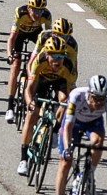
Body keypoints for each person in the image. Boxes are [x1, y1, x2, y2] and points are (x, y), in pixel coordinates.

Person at [52, 75, 107, 195]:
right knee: (65, 163)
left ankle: (89, 174)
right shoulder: (77, 96)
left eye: (102, 99)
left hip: (93, 124)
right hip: (73, 123)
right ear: (89, 93)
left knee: (98, 142)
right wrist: (67, 149)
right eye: (96, 98)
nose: (99, 102)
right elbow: (67, 127)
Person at [16, 19, 79, 173]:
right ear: (47, 54)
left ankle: (55, 131)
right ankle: (23, 159)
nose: (57, 60)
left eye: (60, 56)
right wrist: (30, 102)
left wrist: (70, 105)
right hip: (42, 77)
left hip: (61, 79)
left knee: (65, 101)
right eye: (54, 56)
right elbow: (30, 86)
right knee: (32, 116)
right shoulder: (42, 55)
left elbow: (71, 84)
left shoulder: (68, 60)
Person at [5, 0, 52, 110]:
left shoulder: (46, 15)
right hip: (20, 35)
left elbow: (49, 38)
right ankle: (10, 105)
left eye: (40, 10)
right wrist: (10, 54)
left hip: (36, 34)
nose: (38, 14)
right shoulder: (21, 12)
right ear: (29, 8)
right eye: (35, 10)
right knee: (15, 67)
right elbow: (12, 37)